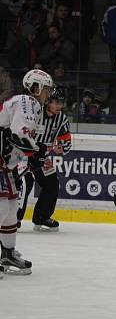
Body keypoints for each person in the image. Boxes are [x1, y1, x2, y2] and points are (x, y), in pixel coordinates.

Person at [0, 69, 52, 274]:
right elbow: (17, 135)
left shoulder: (31, 105)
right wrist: (35, 152)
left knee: (11, 209)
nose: (48, 93)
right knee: (3, 208)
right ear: (35, 87)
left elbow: (18, 138)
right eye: (46, 89)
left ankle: (7, 253)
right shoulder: (27, 102)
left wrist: (33, 152)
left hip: (6, 164)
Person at [17, 85, 72, 232]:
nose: (59, 106)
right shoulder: (35, 112)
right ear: (48, 101)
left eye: (61, 103)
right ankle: (14, 218)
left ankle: (41, 217)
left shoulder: (61, 119)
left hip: (42, 157)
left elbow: (66, 141)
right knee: (24, 182)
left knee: (52, 184)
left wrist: (63, 148)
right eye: (56, 102)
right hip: (24, 155)